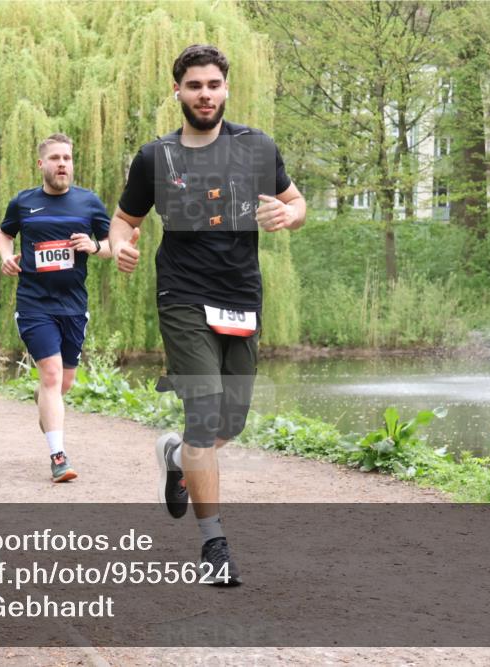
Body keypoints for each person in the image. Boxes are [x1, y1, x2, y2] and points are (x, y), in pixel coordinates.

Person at [108, 45, 306, 585]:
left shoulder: (257, 146)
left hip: (241, 296)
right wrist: (120, 244)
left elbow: (297, 202)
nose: (204, 94)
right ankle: (214, 545)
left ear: (226, 89)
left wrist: (288, 214)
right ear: (177, 91)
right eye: (194, 85)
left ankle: (176, 458)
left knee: (230, 423)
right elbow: (124, 219)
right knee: (203, 411)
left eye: (213, 85)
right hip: (183, 295)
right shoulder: (156, 157)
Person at [0, 133, 112, 483]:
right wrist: (6, 257)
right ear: (41, 164)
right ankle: (58, 457)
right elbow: (4, 234)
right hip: (34, 303)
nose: (63, 164)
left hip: (74, 305)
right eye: (56, 158)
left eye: (67, 158)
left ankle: (45, 401)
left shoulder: (89, 202)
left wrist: (94, 246)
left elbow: (112, 245)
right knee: (50, 374)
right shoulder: (24, 202)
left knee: (63, 383)